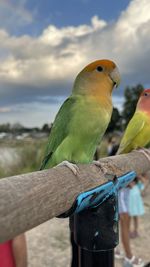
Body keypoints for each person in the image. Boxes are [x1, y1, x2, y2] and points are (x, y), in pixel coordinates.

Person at [116, 188, 145, 267]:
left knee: (123, 222)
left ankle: (116, 250)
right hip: (122, 190)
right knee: (125, 223)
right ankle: (129, 257)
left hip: (126, 191)